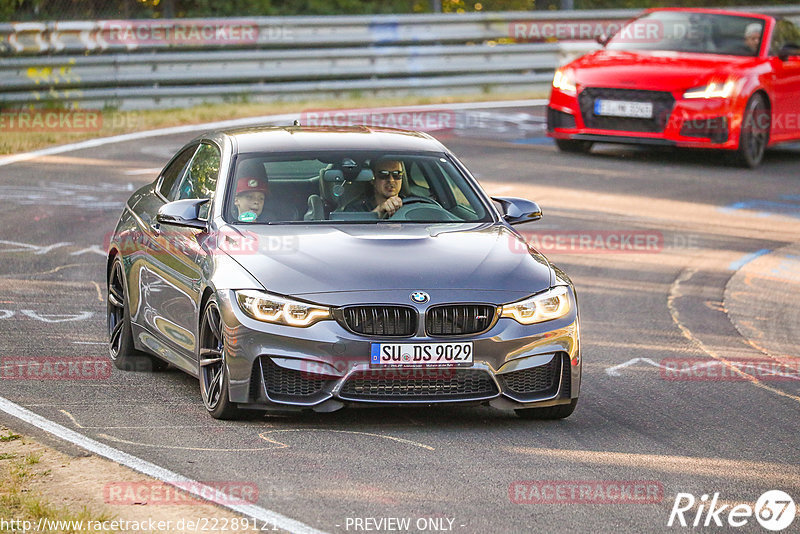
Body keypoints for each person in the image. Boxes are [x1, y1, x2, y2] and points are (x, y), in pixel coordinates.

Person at [341, 159, 405, 218]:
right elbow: (351, 229)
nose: (391, 180)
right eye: (383, 174)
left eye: (396, 174)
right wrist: (378, 212)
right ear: (373, 179)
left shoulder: (411, 205)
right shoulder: (355, 209)